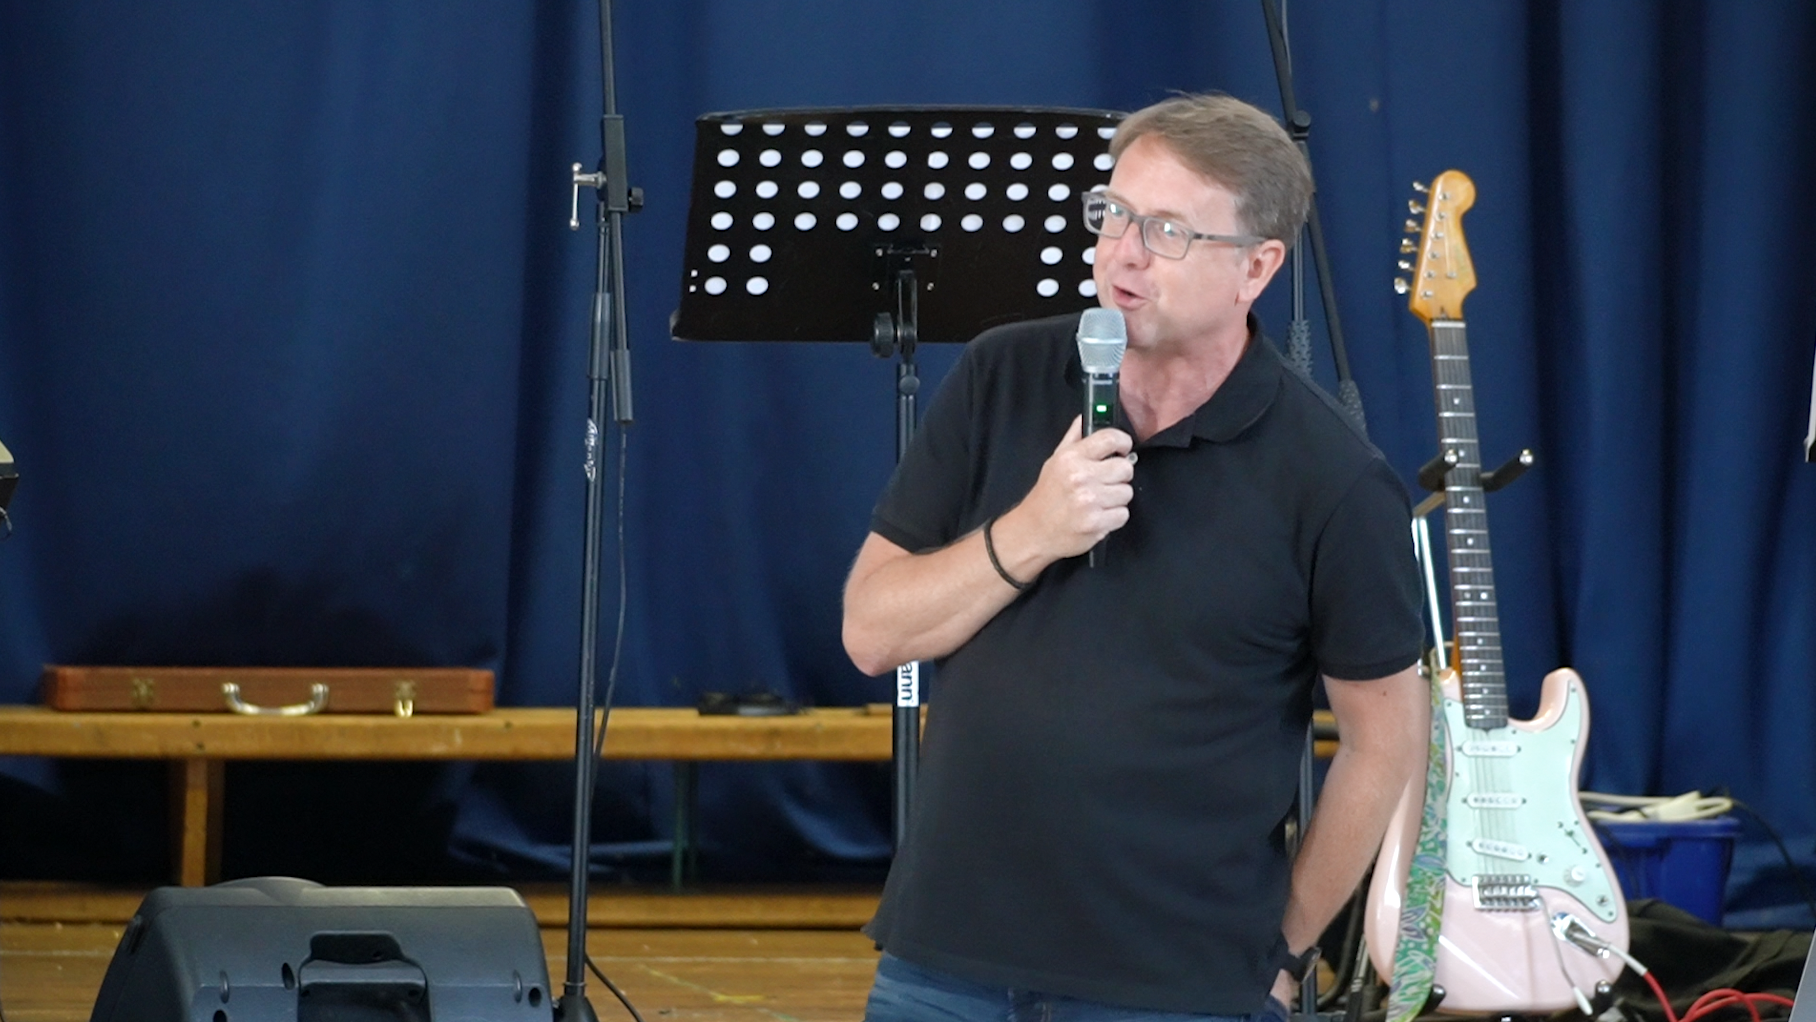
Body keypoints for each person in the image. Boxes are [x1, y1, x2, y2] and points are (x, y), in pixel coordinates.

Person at [841, 93, 1432, 1021]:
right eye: (1113, 213)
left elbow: (1386, 738)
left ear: (1257, 267)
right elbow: (872, 634)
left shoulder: (1334, 479)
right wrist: (1033, 531)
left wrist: (1282, 954)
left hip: (1176, 986)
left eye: (1167, 232)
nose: (1122, 252)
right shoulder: (1002, 376)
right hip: (945, 964)